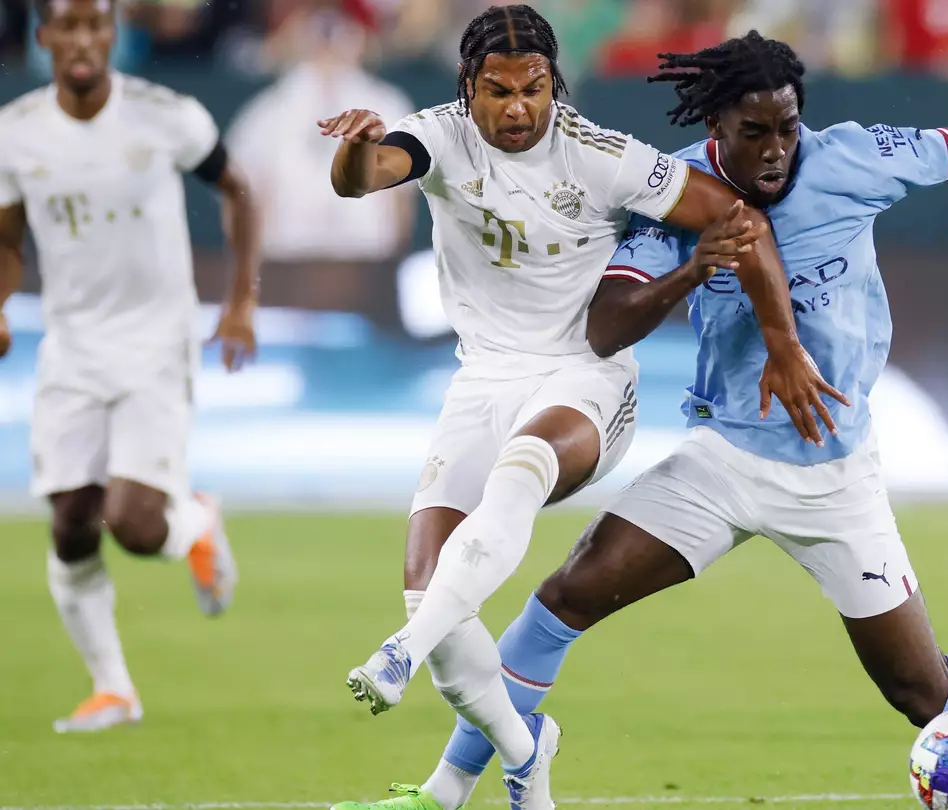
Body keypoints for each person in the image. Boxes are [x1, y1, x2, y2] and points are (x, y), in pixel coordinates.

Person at [331, 22, 948, 810]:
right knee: (560, 602)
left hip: (834, 474)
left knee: (923, 694)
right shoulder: (676, 193)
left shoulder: (854, 157)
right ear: (719, 130)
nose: (779, 149)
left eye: (788, 126)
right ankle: (447, 792)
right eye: (756, 133)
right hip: (721, 463)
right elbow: (605, 325)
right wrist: (691, 266)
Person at [317, 5, 841, 810]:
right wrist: (355, 149)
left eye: (533, 89)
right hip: (482, 382)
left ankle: (399, 655)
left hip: (586, 379)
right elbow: (365, 177)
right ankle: (527, 752)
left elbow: (737, 218)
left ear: (554, 84)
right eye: (498, 91)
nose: (518, 108)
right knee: (433, 595)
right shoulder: (440, 134)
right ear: (469, 89)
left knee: (518, 477)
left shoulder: (601, 156)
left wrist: (783, 344)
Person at [0, 0, 256, 733]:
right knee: (71, 525)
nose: (82, 40)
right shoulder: (14, 134)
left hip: (155, 339)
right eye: (68, 26)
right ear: (43, 36)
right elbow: (8, 241)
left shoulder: (164, 115)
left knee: (135, 526)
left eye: (96, 25)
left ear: (113, 35)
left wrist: (241, 302)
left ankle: (195, 519)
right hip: (71, 344)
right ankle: (113, 688)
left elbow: (241, 191)